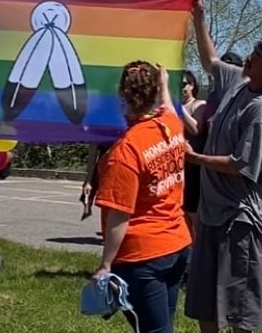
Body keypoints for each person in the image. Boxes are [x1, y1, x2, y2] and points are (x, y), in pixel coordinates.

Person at [183, 0, 262, 333]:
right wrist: (199, 17)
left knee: (239, 306)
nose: (250, 57)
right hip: (211, 212)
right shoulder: (239, 81)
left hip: (239, 219)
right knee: (205, 298)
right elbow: (210, 60)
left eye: (258, 56)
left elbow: (241, 164)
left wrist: (195, 158)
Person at [91, 61, 191, 333]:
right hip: (177, 245)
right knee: (163, 325)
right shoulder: (170, 124)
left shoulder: (125, 151)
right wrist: (165, 85)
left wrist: (106, 263)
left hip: (142, 256)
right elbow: (169, 107)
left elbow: (119, 214)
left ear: (122, 94)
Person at [180, 70, 207, 234]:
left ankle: (198, 246)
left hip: (193, 163)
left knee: (192, 207)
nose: (180, 88)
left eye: (183, 84)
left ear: (192, 86)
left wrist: (179, 108)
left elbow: (196, 128)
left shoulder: (198, 105)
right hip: (176, 161)